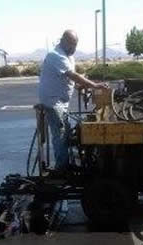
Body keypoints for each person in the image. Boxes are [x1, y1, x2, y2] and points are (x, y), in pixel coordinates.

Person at [39, 29, 108, 172]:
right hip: (53, 101)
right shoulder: (56, 55)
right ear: (63, 41)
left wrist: (80, 86)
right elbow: (72, 74)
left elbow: (68, 79)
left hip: (61, 101)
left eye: (75, 45)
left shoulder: (68, 57)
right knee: (61, 133)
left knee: (65, 132)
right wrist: (94, 85)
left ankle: (65, 163)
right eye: (72, 44)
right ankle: (62, 168)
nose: (74, 48)